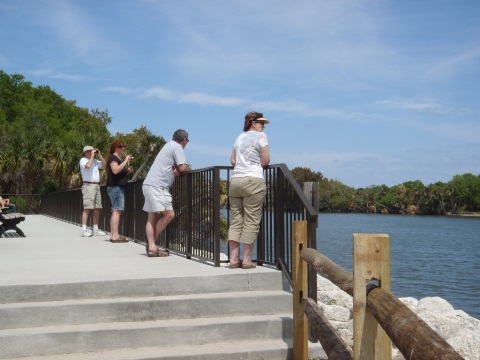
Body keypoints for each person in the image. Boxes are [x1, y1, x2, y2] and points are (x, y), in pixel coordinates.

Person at [228, 112, 270, 269]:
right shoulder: (261, 136)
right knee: (251, 220)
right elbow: (266, 160)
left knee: (236, 220)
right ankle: (246, 260)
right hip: (253, 180)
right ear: (253, 123)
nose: (263, 126)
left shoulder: (239, 137)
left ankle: (233, 260)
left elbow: (233, 160)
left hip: (236, 180)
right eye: (261, 123)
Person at [142, 129, 189, 257]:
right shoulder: (177, 147)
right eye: (187, 141)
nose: (187, 144)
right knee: (169, 215)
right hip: (158, 186)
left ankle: (152, 247)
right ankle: (151, 245)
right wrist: (181, 169)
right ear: (184, 140)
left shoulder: (168, 145)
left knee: (152, 218)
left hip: (148, 184)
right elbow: (183, 167)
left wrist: (177, 170)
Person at [106, 140, 133, 243]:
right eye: (121, 147)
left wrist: (126, 171)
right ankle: (115, 236)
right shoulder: (113, 157)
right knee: (117, 210)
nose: (123, 148)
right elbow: (115, 170)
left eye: (123, 146)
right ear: (115, 148)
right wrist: (126, 161)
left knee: (115, 211)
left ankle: (113, 234)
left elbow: (118, 172)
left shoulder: (117, 158)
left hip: (116, 187)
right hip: (115, 187)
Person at [79, 145, 107, 237]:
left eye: (93, 151)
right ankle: (84, 230)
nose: (92, 152)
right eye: (90, 151)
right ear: (86, 152)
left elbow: (105, 165)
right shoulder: (83, 160)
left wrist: (100, 156)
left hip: (96, 185)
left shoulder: (95, 160)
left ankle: (95, 229)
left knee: (97, 208)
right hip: (88, 185)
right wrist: (92, 157)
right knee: (87, 208)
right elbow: (87, 166)